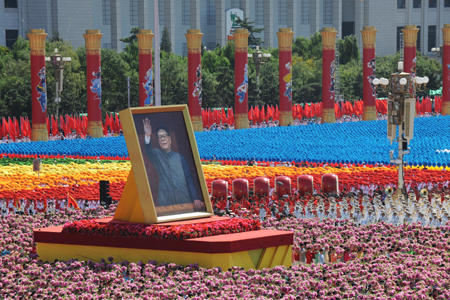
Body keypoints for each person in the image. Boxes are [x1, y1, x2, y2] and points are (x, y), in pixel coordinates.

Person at [143, 118, 202, 209]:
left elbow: (188, 179)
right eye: (160, 137)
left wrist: (195, 198)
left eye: (164, 136)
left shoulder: (180, 157)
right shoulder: (157, 154)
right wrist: (147, 135)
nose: (162, 139)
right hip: (166, 200)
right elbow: (149, 152)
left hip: (183, 198)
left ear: (170, 139)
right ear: (158, 141)